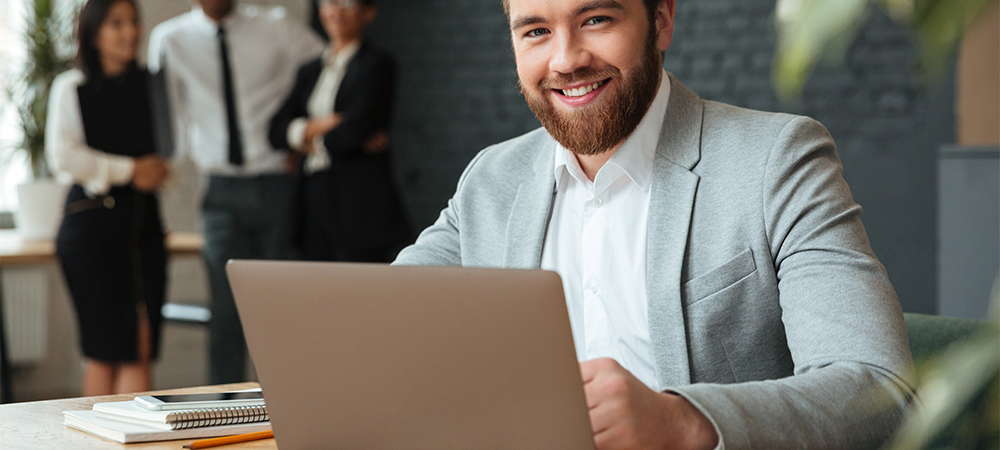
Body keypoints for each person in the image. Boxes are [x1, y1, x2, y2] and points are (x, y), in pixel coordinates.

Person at [393, 0, 917, 448]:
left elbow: (880, 390)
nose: (566, 59)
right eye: (535, 31)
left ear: (661, 19)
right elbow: (381, 319)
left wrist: (681, 422)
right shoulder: (490, 180)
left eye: (596, 19)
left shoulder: (776, 162)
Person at [147, 0, 324, 384]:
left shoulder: (276, 27)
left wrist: (299, 133)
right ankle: (223, 418)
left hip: (277, 184)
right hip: (219, 191)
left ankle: (285, 411)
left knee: (279, 309)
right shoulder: (169, 39)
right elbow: (165, 120)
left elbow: (331, 66)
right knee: (225, 312)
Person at [47, 0, 171, 396]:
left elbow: (172, 148)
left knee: (141, 345)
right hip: (92, 228)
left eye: (134, 22)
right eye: (117, 24)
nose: (130, 32)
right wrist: (129, 170)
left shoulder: (151, 84)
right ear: (94, 32)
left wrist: (160, 170)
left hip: (144, 225)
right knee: (104, 348)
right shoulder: (72, 85)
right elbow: (63, 155)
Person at [269, 0, 410, 262]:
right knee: (314, 290)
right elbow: (275, 131)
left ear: (367, 13)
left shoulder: (377, 65)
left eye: (347, 3)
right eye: (328, 3)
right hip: (311, 198)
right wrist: (327, 124)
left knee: (359, 293)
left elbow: (353, 132)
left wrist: (304, 142)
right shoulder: (309, 71)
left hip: (358, 205)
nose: (335, 11)